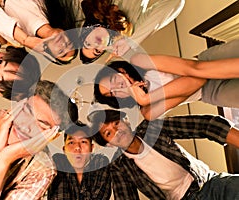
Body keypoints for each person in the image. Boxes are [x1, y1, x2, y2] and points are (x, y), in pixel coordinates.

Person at [89, 109, 239, 200]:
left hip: (209, 183)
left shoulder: (152, 128)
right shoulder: (118, 167)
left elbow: (203, 125)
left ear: (126, 122)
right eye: (108, 133)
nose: (117, 131)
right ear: (109, 144)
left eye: (116, 123)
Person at [94, 59, 239, 120]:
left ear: (121, 70)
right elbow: (196, 80)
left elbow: (196, 71)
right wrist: (145, 100)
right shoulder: (147, 112)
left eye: (113, 80)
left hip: (208, 64)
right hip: (210, 93)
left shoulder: (140, 62)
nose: (117, 88)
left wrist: (146, 98)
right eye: (112, 94)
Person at [0, 0, 80, 65]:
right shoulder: (48, 5)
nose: (63, 45)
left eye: (61, 52)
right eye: (69, 44)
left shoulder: (14, 39)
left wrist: (25, 40)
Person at [79, 0, 184, 63]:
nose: (95, 44)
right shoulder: (128, 30)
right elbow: (175, 3)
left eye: (88, 44)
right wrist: (131, 42)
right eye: (97, 51)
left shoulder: (92, 4)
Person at [48, 122, 111, 199]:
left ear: (91, 148)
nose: (77, 147)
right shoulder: (58, 162)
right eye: (71, 142)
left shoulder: (100, 163)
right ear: (64, 150)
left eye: (83, 141)